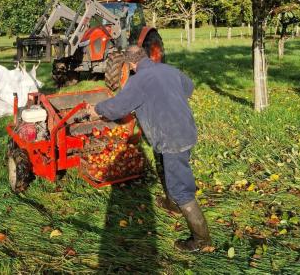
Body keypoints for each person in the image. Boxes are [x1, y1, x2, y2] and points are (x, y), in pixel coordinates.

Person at [88, 45, 211, 252]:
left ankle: (202, 241)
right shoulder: (169, 70)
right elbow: (188, 88)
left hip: (172, 138)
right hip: (187, 130)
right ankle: (173, 205)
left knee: (181, 187)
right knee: (166, 164)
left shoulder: (138, 81)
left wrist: (97, 109)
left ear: (130, 64)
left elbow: (118, 107)